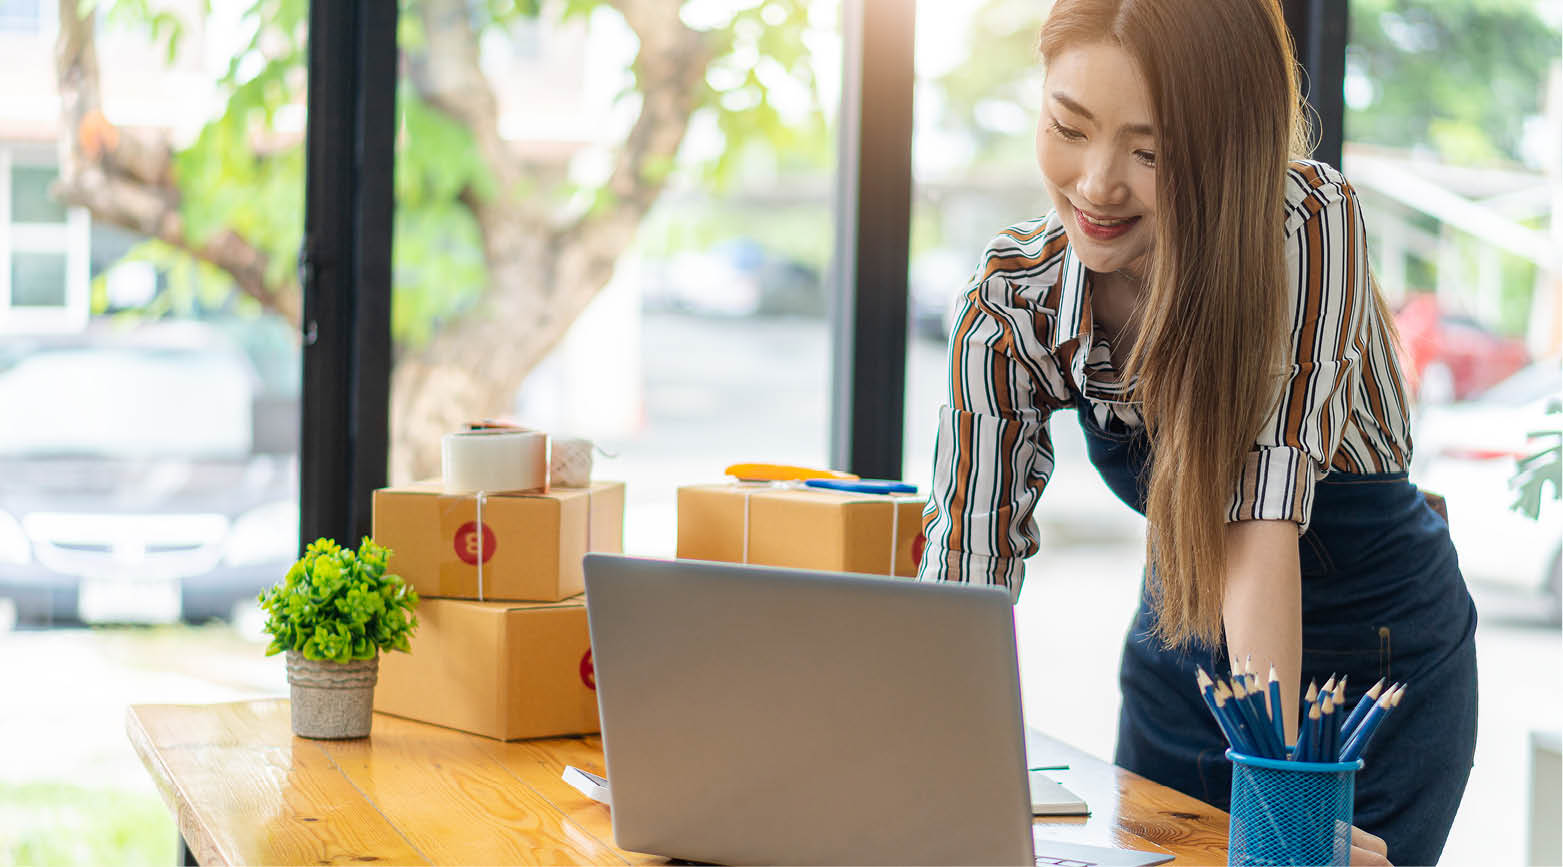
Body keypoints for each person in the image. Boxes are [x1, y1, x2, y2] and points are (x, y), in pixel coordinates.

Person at [914, 1, 1478, 864]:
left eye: (1151, 153)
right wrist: (921, 770)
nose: (1098, 184)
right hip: (1181, 642)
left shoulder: (1302, 225)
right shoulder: (1009, 303)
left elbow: (1256, 525)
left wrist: (1285, 805)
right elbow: (964, 574)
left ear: (1231, 148)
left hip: (1370, 659)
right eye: (1069, 126)